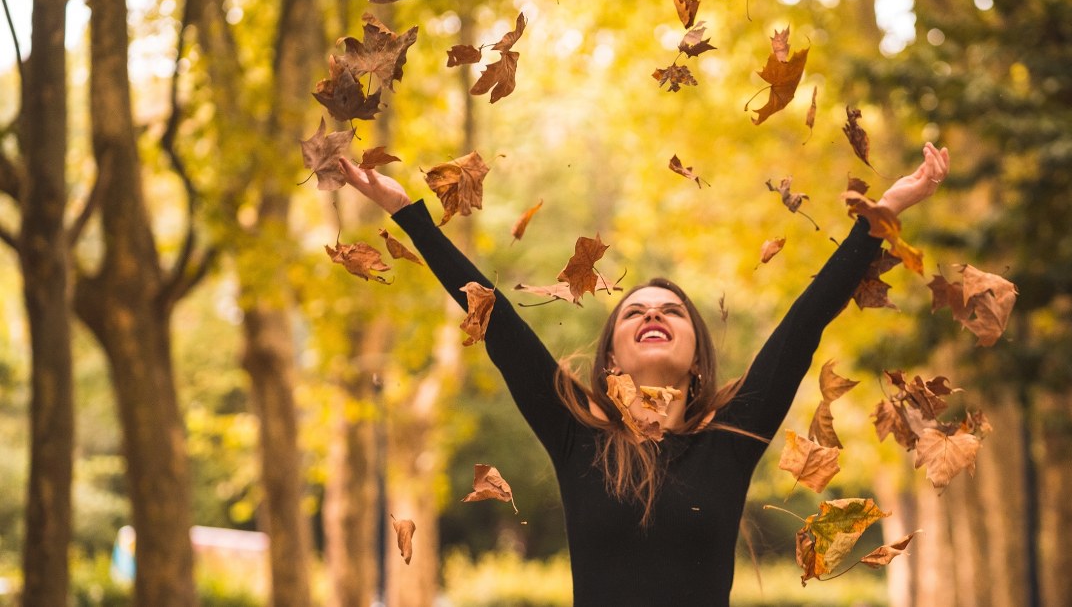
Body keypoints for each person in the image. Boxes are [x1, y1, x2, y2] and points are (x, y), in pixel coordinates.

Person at [338, 142, 949, 606]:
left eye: (671, 311)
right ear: (610, 361)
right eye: (635, 311)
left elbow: (803, 325)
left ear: (698, 357)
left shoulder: (730, 442)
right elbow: (494, 319)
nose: (653, 313)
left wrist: (881, 218)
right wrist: (405, 211)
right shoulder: (576, 437)